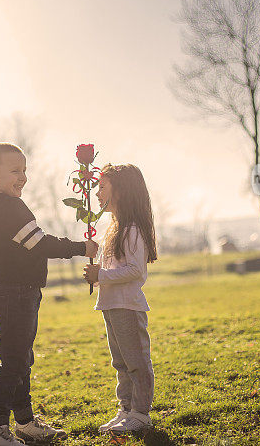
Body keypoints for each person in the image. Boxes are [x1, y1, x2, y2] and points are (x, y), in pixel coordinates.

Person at [0, 142, 98, 446]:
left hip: (11, 291)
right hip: (15, 292)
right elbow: (40, 244)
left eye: (25, 170)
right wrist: (80, 248)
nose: (23, 177)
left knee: (21, 358)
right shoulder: (9, 208)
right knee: (14, 361)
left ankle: (25, 422)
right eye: (15, 170)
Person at [83, 163, 157, 435]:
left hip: (127, 305)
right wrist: (97, 275)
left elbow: (136, 270)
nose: (97, 193)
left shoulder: (132, 229)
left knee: (136, 361)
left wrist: (100, 274)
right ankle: (125, 409)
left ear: (121, 191)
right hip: (111, 305)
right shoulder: (113, 227)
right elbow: (112, 269)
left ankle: (140, 413)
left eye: (102, 187)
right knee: (121, 362)